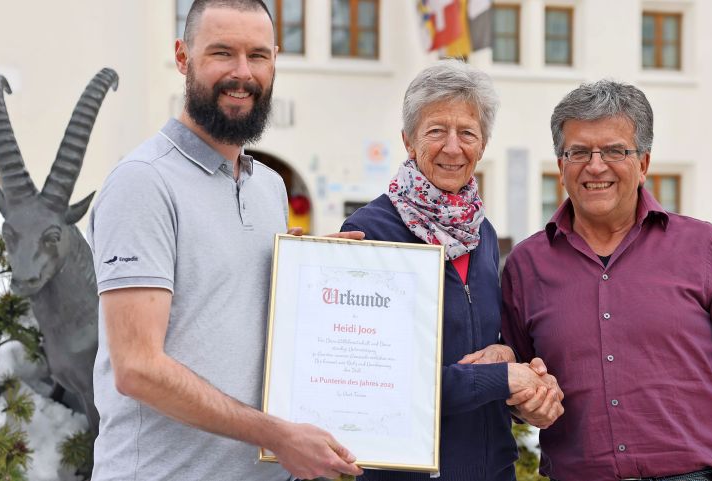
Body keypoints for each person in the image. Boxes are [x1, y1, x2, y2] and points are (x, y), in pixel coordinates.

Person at [87, 1, 363, 480]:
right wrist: (275, 435)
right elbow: (137, 367)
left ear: (275, 61)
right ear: (182, 56)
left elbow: (235, 314)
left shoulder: (269, 187)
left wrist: (312, 273)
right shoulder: (143, 182)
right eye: (222, 53)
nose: (242, 73)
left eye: (258, 56)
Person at [502, 79, 712, 481]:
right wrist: (525, 402)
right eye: (579, 152)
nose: (595, 165)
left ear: (643, 163)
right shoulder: (525, 265)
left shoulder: (704, 247)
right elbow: (517, 384)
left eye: (614, 151)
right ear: (560, 166)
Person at [341, 59, 565, 481]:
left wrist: (507, 356)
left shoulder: (481, 233)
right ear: (409, 141)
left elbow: (472, 342)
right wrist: (502, 378)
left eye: (467, 133)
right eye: (436, 130)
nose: (452, 146)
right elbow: (379, 381)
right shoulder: (369, 233)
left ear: (482, 146)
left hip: (494, 469)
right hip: (410, 473)